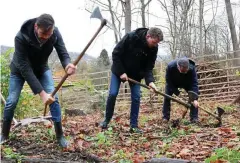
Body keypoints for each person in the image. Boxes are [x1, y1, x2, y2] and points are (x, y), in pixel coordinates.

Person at [0, 14, 77, 147]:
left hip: (41, 68)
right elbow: (25, 69)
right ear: (36, 27)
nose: (46, 37)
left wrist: (67, 64)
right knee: (12, 101)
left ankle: (60, 135)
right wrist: (42, 94)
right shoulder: (21, 37)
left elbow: (62, 51)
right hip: (19, 71)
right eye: (43, 34)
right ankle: (4, 134)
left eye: (49, 33)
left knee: (54, 98)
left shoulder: (55, 33)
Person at [100, 27, 163, 133]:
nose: (155, 45)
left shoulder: (153, 48)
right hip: (119, 71)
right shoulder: (131, 37)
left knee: (136, 97)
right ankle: (106, 120)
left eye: (157, 43)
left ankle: (133, 126)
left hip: (135, 75)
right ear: (148, 36)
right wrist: (121, 72)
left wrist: (150, 82)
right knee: (113, 94)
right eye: (153, 42)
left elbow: (149, 67)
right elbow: (115, 53)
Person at [162, 57, 199, 123]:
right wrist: (177, 92)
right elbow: (168, 81)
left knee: (193, 98)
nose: (184, 72)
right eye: (182, 71)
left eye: (186, 71)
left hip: (187, 83)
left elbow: (194, 83)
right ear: (178, 67)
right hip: (173, 83)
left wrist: (195, 98)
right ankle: (165, 117)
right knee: (167, 97)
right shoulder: (170, 67)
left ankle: (194, 118)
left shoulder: (192, 68)